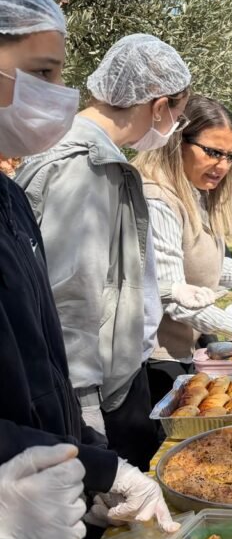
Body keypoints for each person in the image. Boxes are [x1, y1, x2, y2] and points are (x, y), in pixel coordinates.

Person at [0, 0, 178, 539]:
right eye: (42, 73)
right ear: (158, 105)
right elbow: (74, 311)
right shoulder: (81, 171)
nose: (58, 94)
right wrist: (90, 441)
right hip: (58, 432)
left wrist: (89, 458)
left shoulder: (21, 192)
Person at [16, 33, 190, 470]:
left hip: (115, 377)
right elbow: (70, 300)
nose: (171, 129)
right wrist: (87, 421)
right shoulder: (82, 167)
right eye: (178, 116)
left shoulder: (95, 159)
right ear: (159, 105)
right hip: (96, 397)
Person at [133, 94, 232, 405]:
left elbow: (200, 263)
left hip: (189, 350)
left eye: (231, 156)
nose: (222, 166)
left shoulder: (195, 191)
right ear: (177, 141)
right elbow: (172, 296)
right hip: (156, 361)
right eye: (212, 152)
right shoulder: (158, 199)